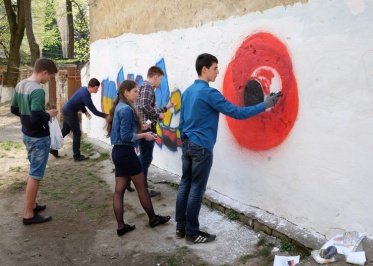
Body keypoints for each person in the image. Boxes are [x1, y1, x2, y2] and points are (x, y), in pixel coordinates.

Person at [175, 53, 282, 243]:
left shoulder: (188, 92)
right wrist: (264, 105)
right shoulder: (209, 93)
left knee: (185, 184)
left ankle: (181, 227)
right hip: (201, 147)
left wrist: (186, 139)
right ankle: (192, 232)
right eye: (215, 68)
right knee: (196, 189)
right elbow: (236, 113)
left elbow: (181, 122)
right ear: (204, 69)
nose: (218, 71)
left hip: (188, 145)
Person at [106, 80, 171, 236]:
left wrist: (142, 128)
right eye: (135, 91)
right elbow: (126, 136)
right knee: (142, 188)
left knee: (119, 191)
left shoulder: (120, 107)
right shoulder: (126, 109)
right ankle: (153, 219)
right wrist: (145, 135)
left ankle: (121, 227)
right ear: (126, 92)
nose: (138, 94)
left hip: (118, 153)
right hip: (127, 154)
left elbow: (122, 133)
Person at [10, 58, 59, 225]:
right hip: (38, 137)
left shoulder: (21, 84)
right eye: (50, 76)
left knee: (33, 171)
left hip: (27, 134)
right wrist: (49, 114)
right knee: (35, 175)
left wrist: (28, 120)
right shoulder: (37, 90)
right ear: (44, 72)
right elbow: (38, 117)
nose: (49, 80)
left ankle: (32, 204)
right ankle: (28, 214)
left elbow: (14, 109)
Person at [131, 66, 175, 196]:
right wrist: (157, 115)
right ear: (155, 76)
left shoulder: (144, 87)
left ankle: (129, 178)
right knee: (146, 159)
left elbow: (148, 108)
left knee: (143, 157)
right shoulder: (149, 87)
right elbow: (145, 106)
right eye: (160, 79)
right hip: (147, 129)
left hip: (144, 126)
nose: (160, 82)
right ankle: (143, 190)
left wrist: (166, 108)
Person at [50, 78, 107, 161]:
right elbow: (95, 112)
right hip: (70, 113)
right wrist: (108, 116)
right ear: (90, 87)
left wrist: (85, 111)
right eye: (96, 88)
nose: (97, 90)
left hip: (66, 110)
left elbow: (79, 101)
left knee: (65, 130)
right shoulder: (86, 97)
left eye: (98, 88)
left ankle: (53, 149)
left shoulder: (84, 89)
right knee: (77, 133)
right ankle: (76, 156)